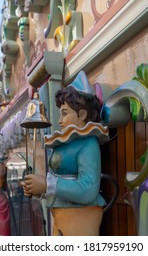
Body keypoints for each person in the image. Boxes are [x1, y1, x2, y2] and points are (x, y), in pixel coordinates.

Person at [22, 71, 109, 236]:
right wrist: (38, 188)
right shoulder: (67, 142)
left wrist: (47, 184)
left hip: (80, 217)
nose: (60, 120)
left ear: (82, 114)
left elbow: (88, 189)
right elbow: (60, 183)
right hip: (63, 216)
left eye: (65, 113)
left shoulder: (88, 144)